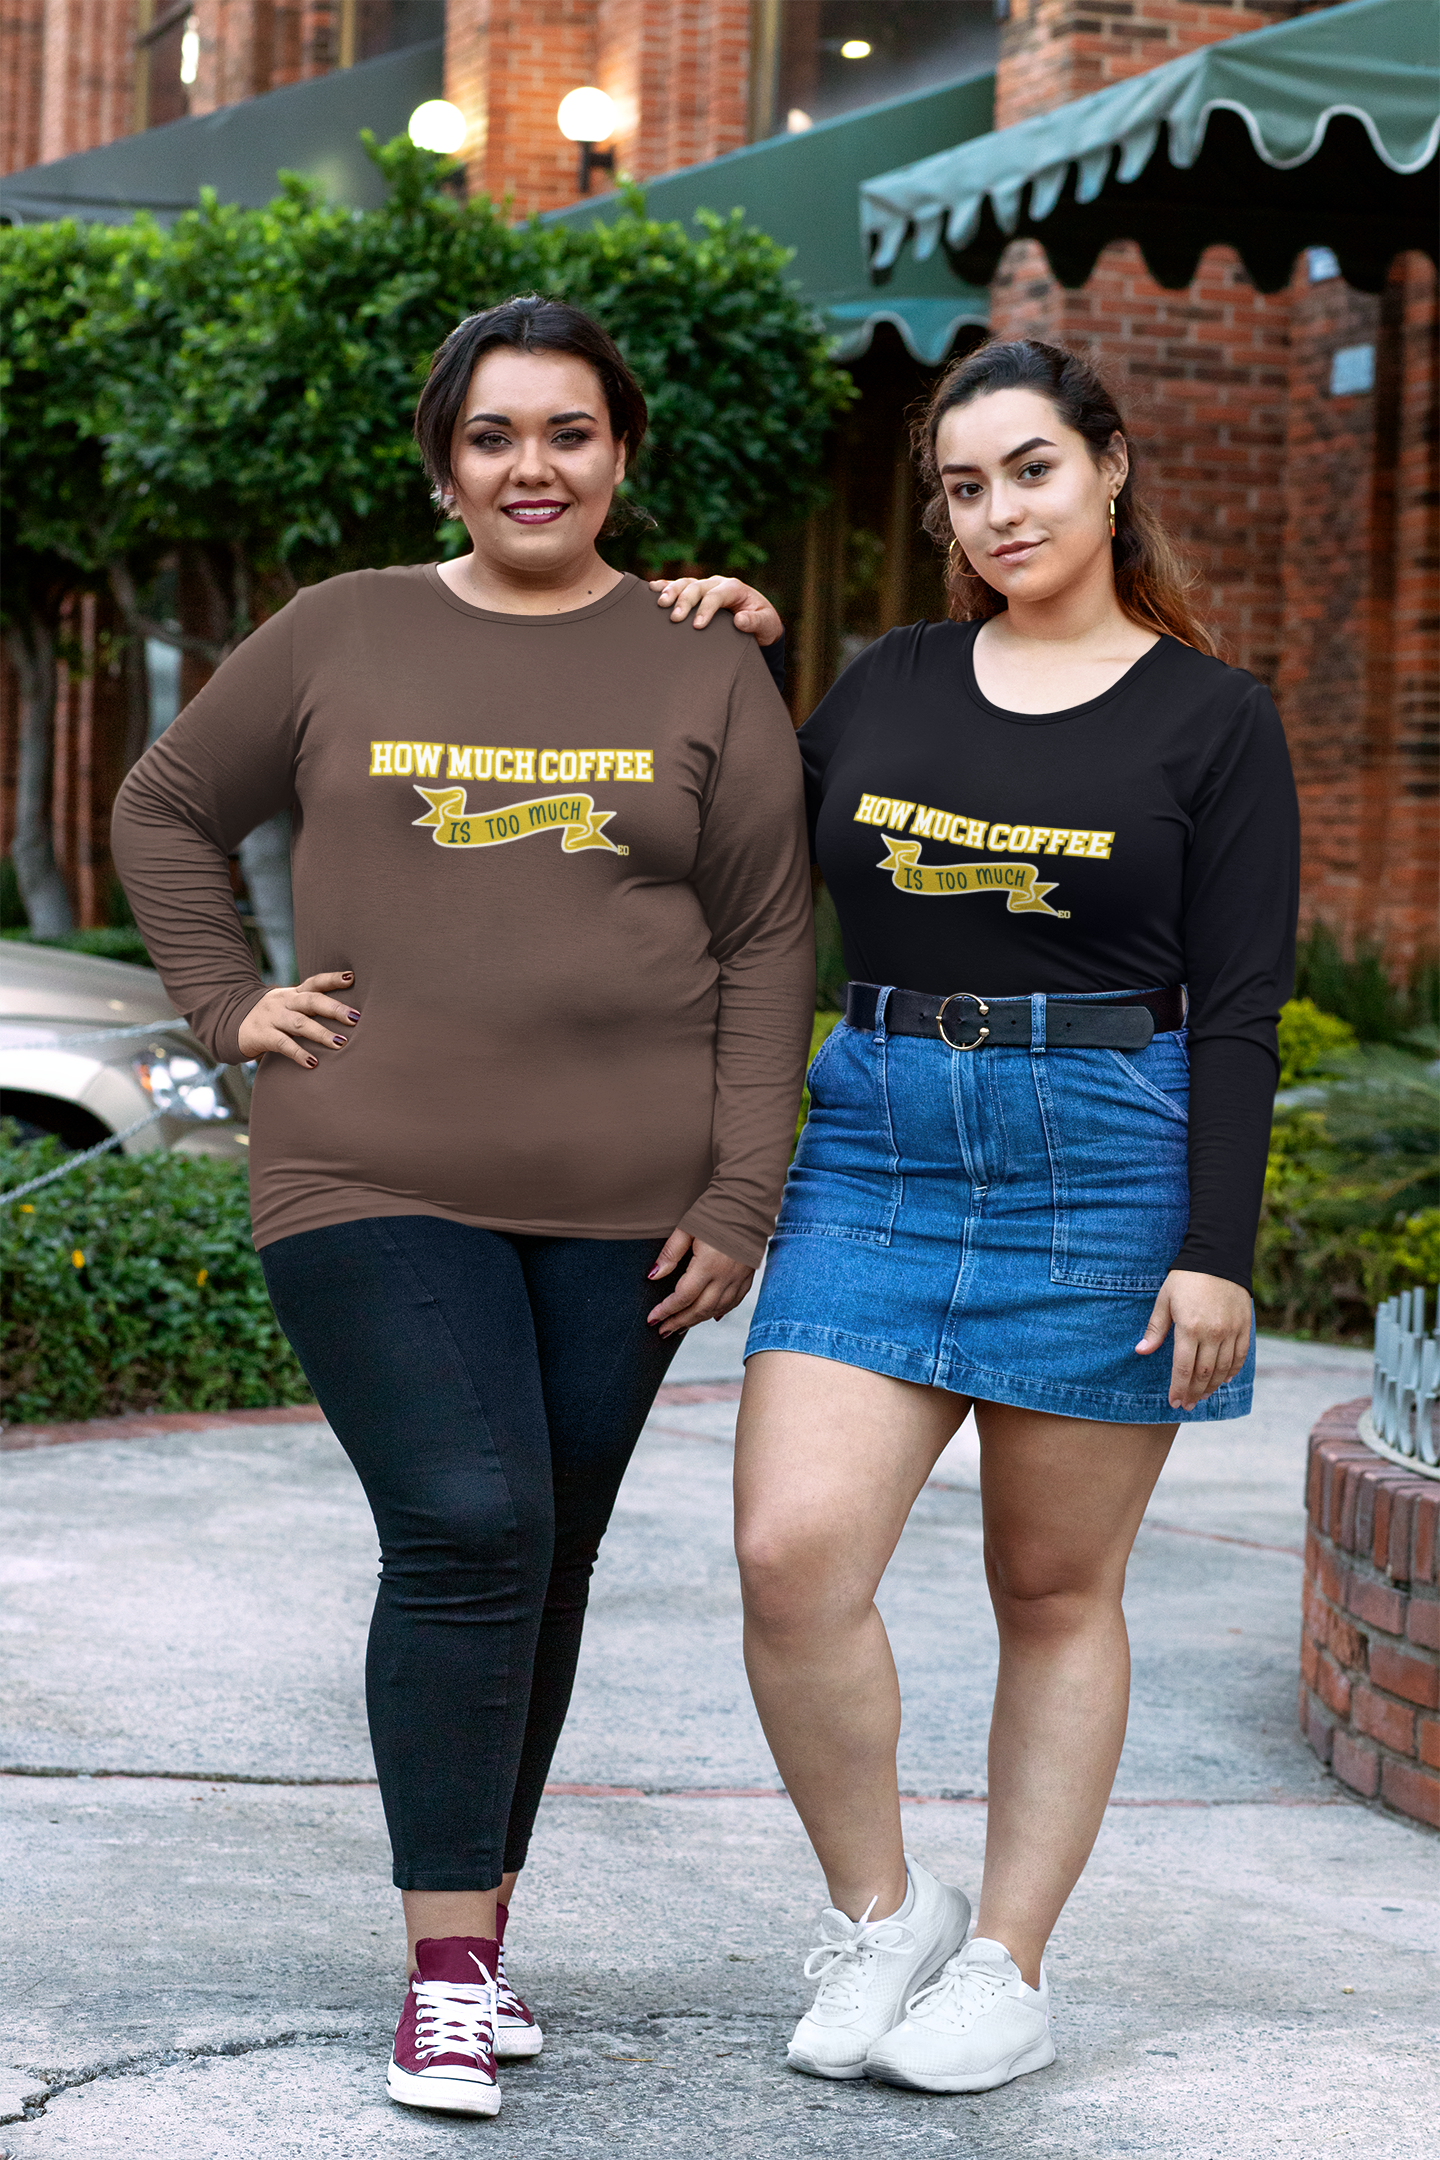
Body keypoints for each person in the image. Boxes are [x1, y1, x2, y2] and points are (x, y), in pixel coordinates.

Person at [111, 295, 814, 2121]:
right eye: (495, 434)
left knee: (547, 1558)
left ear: (620, 457)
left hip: (626, 1208)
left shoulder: (701, 664)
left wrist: (743, 1192)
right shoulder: (348, 628)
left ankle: (480, 1936)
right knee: (471, 1519)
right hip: (370, 1168)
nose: (532, 466)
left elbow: (764, 938)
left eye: (568, 433)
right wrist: (227, 1004)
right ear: (446, 459)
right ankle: (441, 1976)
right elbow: (168, 805)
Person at [666, 335, 1299, 2095]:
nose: (1000, 508)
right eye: (965, 484)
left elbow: (1241, 1002)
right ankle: (887, 1916)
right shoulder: (886, 683)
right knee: (793, 1557)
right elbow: (734, 859)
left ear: (1107, 469)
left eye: (1030, 468)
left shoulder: (1211, 717)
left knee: (1052, 1582)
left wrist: (1217, 1246)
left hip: (1108, 1151)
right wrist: (718, 666)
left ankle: (1009, 1965)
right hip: (878, 1139)